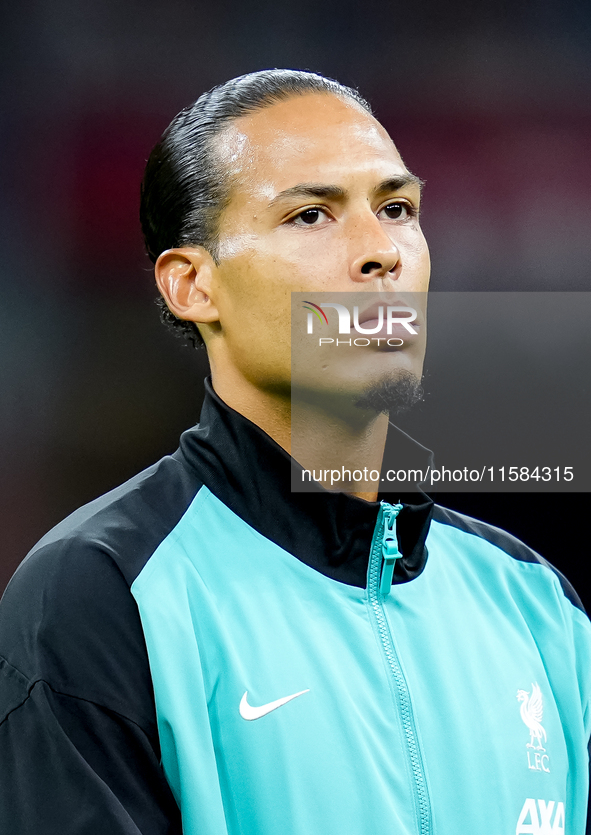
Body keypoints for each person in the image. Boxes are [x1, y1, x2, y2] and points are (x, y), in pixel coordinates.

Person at [0, 69, 589, 835]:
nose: (380, 251)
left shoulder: (535, 606)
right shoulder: (101, 596)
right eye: (311, 214)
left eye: (396, 209)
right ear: (191, 285)